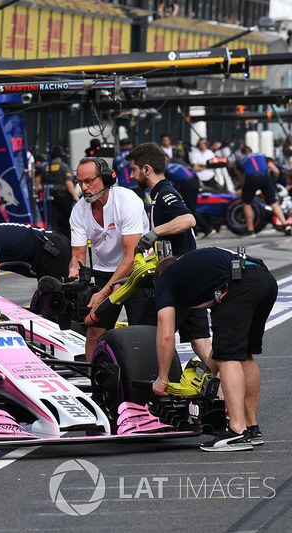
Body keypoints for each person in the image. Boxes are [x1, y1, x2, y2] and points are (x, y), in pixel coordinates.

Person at [152, 248, 276, 451]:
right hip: (264, 279)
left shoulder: (166, 277)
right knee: (243, 354)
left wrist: (162, 379)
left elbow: (165, 334)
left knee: (229, 357)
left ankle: (237, 432)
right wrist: (203, 376)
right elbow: (220, 347)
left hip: (238, 283)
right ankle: (251, 428)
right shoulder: (200, 268)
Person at [126, 142, 212, 361]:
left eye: (133, 170)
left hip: (179, 279)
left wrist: (155, 233)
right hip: (193, 278)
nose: (131, 176)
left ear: (147, 169)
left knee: (144, 335)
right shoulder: (158, 195)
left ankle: (154, 386)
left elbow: (188, 219)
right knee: (200, 341)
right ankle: (222, 390)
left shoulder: (165, 193)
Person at [69, 157, 151, 361]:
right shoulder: (79, 210)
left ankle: (145, 382)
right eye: (80, 182)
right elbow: (78, 255)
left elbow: (130, 257)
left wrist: (104, 293)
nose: (84, 188)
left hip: (137, 272)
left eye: (89, 181)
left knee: (141, 333)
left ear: (106, 178)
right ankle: (94, 383)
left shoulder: (127, 201)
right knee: (94, 332)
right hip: (105, 271)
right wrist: (74, 271)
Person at [235, 146, 291, 236]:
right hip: (265, 177)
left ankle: (250, 230)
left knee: (247, 203)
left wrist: (243, 188)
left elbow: (240, 178)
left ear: (243, 153)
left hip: (251, 178)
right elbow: (276, 171)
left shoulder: (240, 160)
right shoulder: (262, 156)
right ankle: (285, 225)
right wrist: (273, 181)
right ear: (251, 151)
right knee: (273, 202)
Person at [164, 157, 213, 238]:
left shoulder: (166, 170)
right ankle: (200, 230)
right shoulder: (177, 165)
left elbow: (168, 182)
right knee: (192, 208)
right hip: (194, 181)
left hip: (187, 184)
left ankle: (204, 229)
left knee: (189, 209)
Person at [37, 146, 78, 236]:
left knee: (53, 222)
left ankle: (54, 239)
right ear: (61, 156)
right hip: (63, 196)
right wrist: (75, 196)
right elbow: (68, 182)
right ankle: (68, 240)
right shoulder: (63, 166)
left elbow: (40, 182)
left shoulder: (45, 167)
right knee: (67, 220)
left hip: (50, 197)